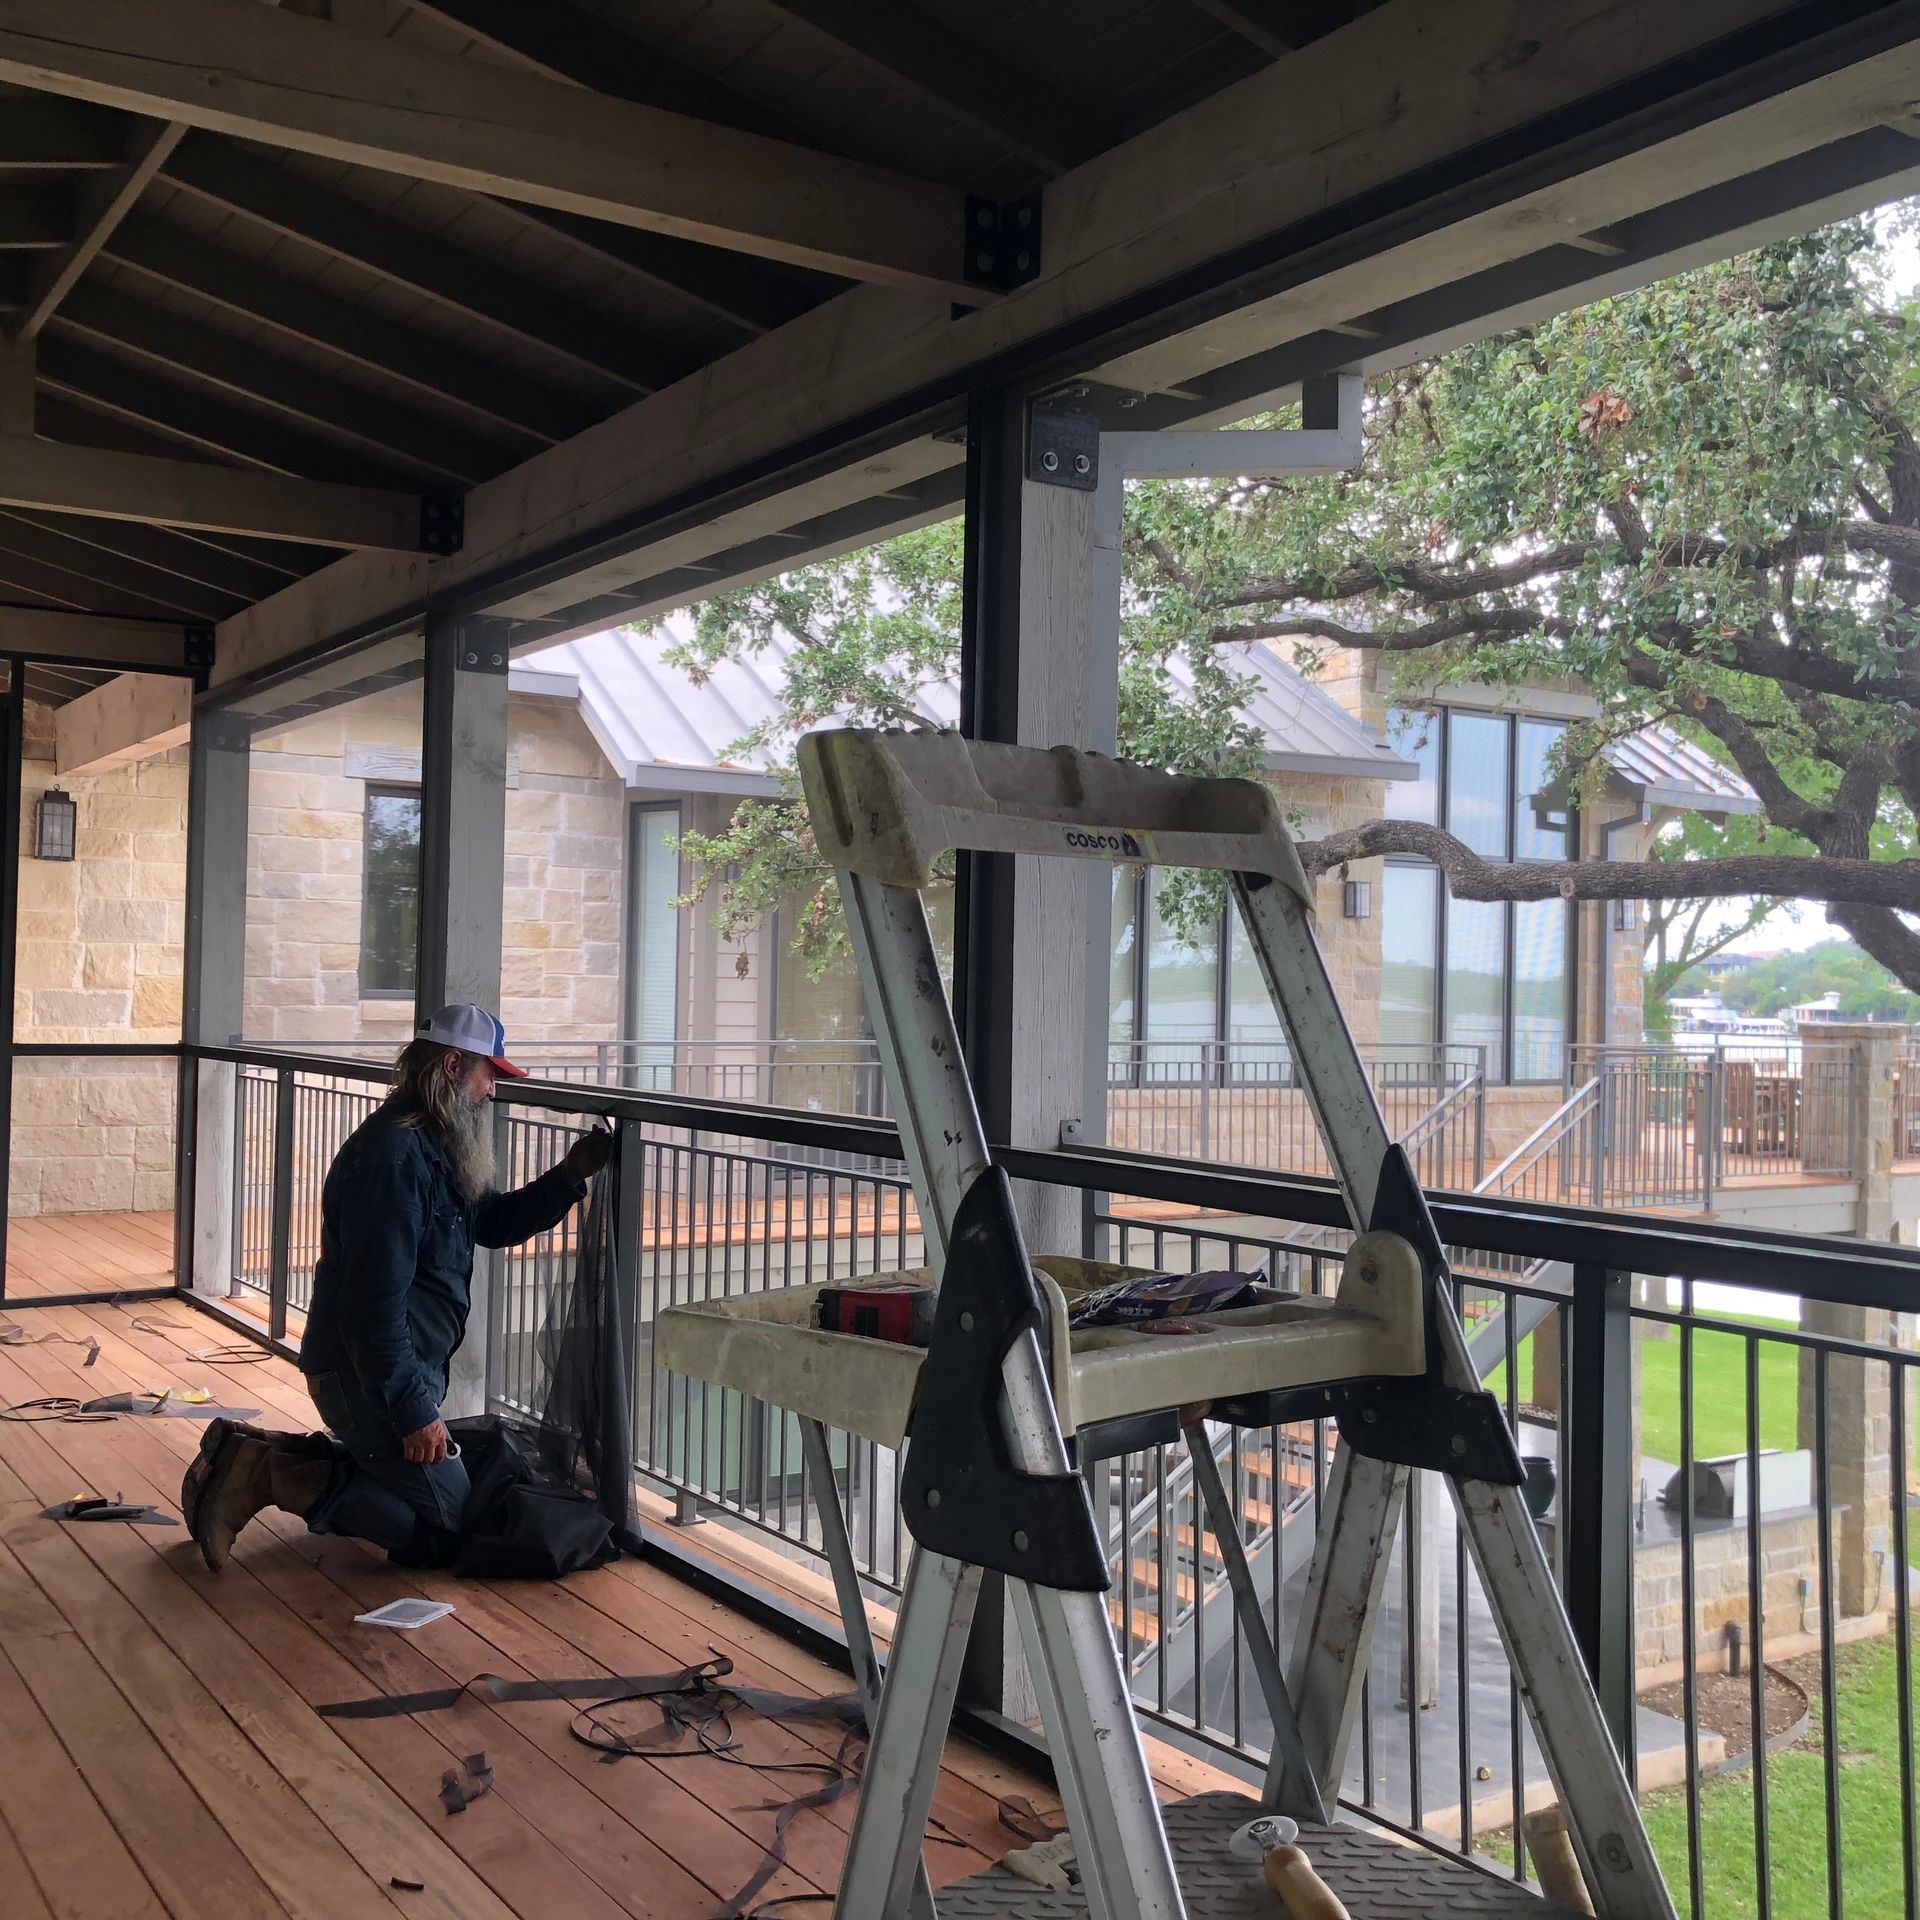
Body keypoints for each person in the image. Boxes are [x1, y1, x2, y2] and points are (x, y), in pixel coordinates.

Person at [181, 1004, 613, 1572]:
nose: (491, 1093)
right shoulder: (394, 1159)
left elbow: (491, 1223)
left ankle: (267, 1456)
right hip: (364, 1377)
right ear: (454, 1065)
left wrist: (568, 1175)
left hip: (384, 1373)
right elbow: (372, 1307)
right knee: (450, 1535)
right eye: (489, 1076)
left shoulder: (432, 1144)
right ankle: (268, 1473)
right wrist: (414, 1413)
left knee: (444, 1507)